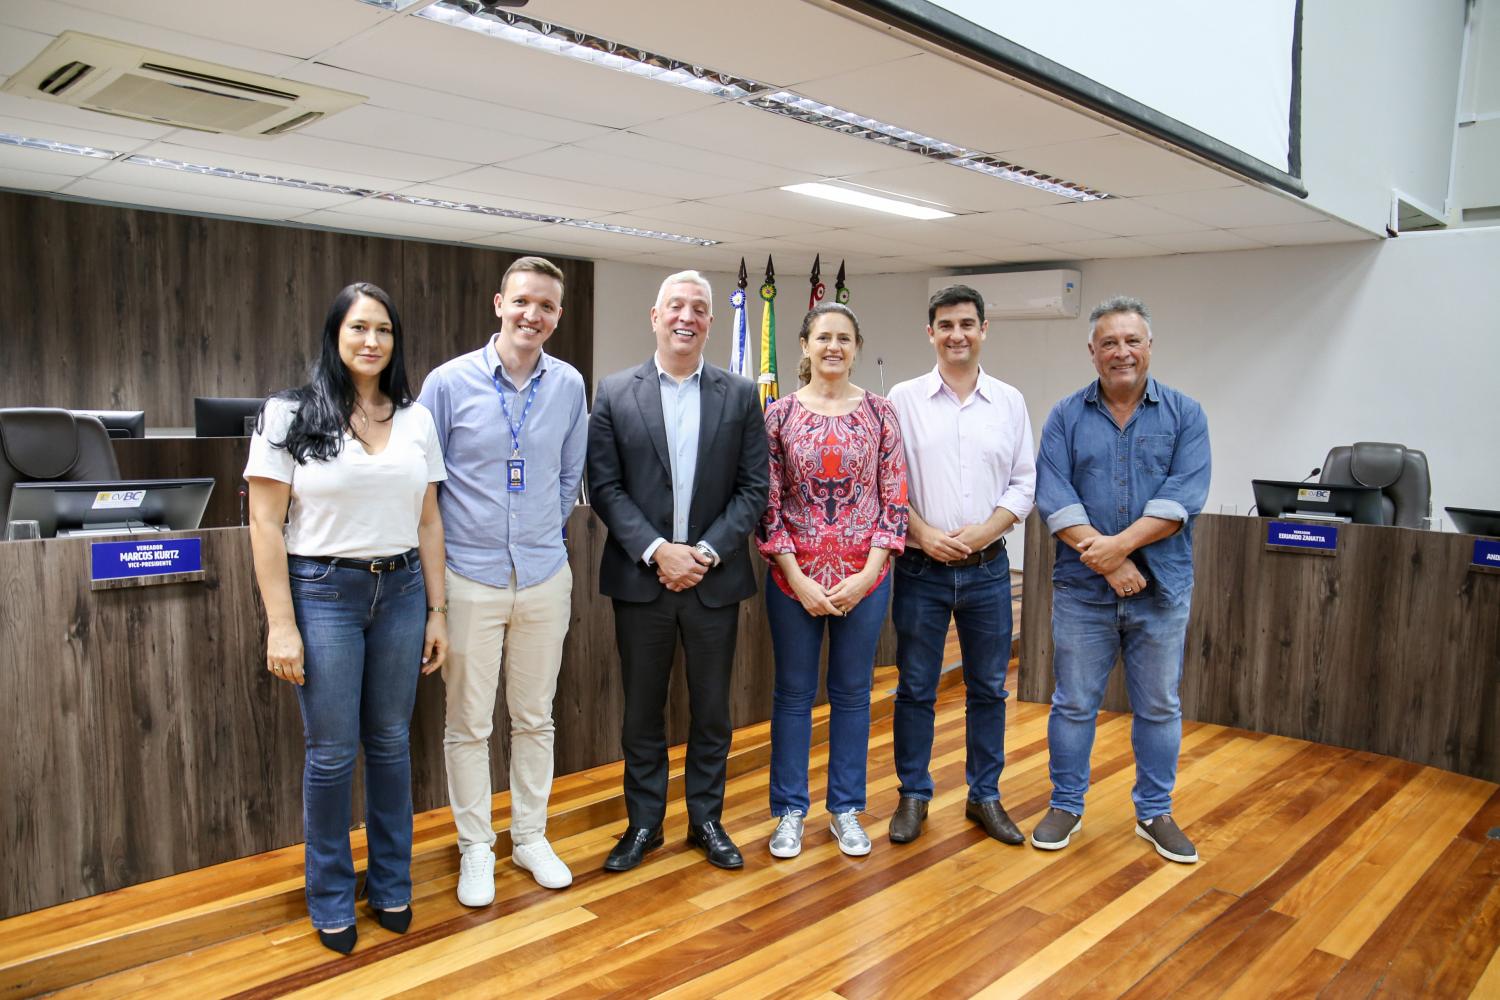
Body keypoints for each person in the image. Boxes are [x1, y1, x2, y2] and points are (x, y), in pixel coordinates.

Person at [245, 282, 448, 954]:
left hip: (401, 591)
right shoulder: (289, 414)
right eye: (359, 327)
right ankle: (330, 895)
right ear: (335, 335)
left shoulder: (415, 417)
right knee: (332, 756)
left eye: (384, 330)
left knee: (390, 746)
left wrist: (437, 611)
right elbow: (265, 523)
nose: (372, 341)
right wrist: (281, 624)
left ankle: (391, 883)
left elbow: (427, 520)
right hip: (323, 592)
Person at [417, 256, 588, 903]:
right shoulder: (448, 383)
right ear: (498, 303)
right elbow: (427, 487)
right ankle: (475, 850)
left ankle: (530, 837)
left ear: (557, 316)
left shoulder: (569, 385)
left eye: (545, 306)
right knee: (468, 724)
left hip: (544, 574)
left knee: (535, 717)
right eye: (522, 302)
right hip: (469, 578)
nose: (532, 315)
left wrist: (540, 533)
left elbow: (570, 478)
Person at [587, 269, 769, 872]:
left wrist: (705, 553)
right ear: (655, 315)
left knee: (712, 709)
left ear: (711, 323)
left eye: (698, 308)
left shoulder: (740, 396)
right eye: (675, 306)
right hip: (643, 581)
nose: (686, 317)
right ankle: (644, 825)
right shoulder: (614, 393)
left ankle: (706, 820)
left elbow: (753, 490)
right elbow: (606, 487)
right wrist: (659, 550)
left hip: (714, 582)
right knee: (643, 709)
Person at [1032, 295, 1210, 864]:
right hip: (1082, 592)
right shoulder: (1064, 416)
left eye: (1132, 340)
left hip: (1161, 591)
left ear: (1149, 347)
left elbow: (1184, 496)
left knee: (1159, 706)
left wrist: (1120, 548)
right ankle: (1066, 804)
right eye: (1109, 342)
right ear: (1092, 352)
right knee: (1072, 703)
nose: (1121, 352)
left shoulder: (1186, 415)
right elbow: (1053, 495)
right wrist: (1109, 563)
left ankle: (1155, 813)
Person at [886, 284, 1035, 847]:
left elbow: (1024, 482)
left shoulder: (1010, 402)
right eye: (946, 325)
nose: (957, 335)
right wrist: (922, 533)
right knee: (916, 687)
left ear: (984, 330)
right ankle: (913, 795)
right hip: (921, 570)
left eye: (967, 324)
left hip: (989, 568)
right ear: (930, 333)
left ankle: (984, 796)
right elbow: (887, 482)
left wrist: (985, 532)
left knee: (989, 689)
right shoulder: (901, 399)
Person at [757, 303, 907, 859]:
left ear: (856, 346)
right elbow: (768, 507)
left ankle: (845, 808)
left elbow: (894, 502)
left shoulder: (882, 415)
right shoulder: (778, 417)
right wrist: (796, 576)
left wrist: (868, 572)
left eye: (844, 338)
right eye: (824, 337)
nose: (833, 347)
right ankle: (789, 812)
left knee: (852, 696)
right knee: (793, 696)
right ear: (805, 345)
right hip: (793, 580)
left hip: (863, 582)